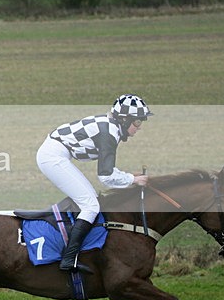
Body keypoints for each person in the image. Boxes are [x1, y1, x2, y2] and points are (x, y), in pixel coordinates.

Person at [36, 94, 152, 273]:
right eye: (136, 122)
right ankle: (69, 258)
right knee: (90, 205)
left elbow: (108, 171)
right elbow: (105, 176)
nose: (139, 128)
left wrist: (129, 177)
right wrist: (133, 179)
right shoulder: (109, 133)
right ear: (124, 119)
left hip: (55, 153)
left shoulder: (110, 126)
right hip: (53, 157)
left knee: (89, 200)